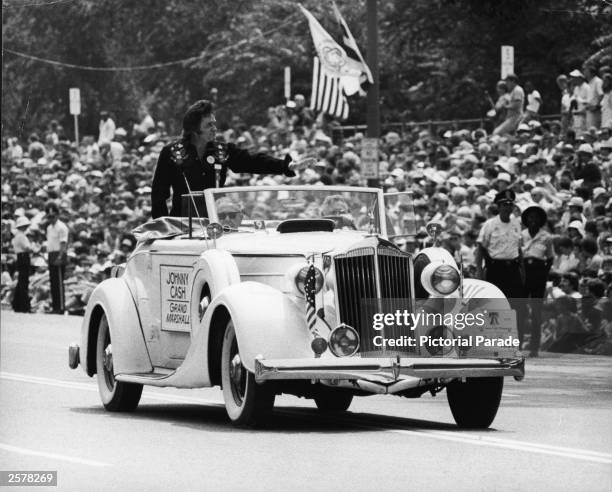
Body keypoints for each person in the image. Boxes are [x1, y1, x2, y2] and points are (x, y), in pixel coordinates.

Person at [151, 100, 315, 219]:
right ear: (194, 129)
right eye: (209, 125)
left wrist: (287, 166)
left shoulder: (221, 151)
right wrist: (163, 229)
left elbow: (253, 161)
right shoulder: (171, 152)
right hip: (182, 227)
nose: (215, 129)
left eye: (214, 124)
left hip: (215, 224)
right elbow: (159, 195)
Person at [475, 189, 526, 342]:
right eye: (504, 204)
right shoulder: (490, 225)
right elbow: (481, 249)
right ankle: (493, 339)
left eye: (510, 204)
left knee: (516, 305)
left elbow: (519, 248)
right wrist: (479, 271)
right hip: (495, 268)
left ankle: (516, 340)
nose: (507, 207)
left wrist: (522, 270)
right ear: (498, 206)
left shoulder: (516, 223)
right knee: (494, 305)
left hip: (513, 268)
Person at [521, 204, 554, 357]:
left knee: (536, 311)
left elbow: (550, 257)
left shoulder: (546, 237)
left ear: (540, 220)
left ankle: (534, 347)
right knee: (520, 310)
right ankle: (518, 344)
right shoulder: (521, 235)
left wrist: (543, 274)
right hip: (524, 272)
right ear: (527, 219)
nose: (533, 220)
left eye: (536, 218)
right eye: (530, 217)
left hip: (538, 271)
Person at [45, 201, 69, 314]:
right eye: (49, 216)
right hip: (51, 254)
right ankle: (55, 307)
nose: (51, 218)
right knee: (53, 282)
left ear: (57, 215)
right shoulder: (49, 228)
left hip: (59, 254)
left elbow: (63, 244)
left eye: (53, 216)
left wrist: (60, 257)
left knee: (59, 283)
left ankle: (60, 307)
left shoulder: (62, 227)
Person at [11, 216, 32, 313]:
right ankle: (24, 306)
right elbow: (27, 248)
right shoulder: (21, 236)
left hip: (20, 257)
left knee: (21, 281)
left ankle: (17, 304)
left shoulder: (17, 236)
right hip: (24, 257)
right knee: (24, 281)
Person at [584, 65, 603, 129]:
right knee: (590, 130)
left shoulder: (597, 81)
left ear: (592, 73)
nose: (584, 73)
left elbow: (601, 95)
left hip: (595, 111)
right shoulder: (589, 83)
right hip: (589, 111)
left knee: (594, 130)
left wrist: (596, 106)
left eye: (586, 71)